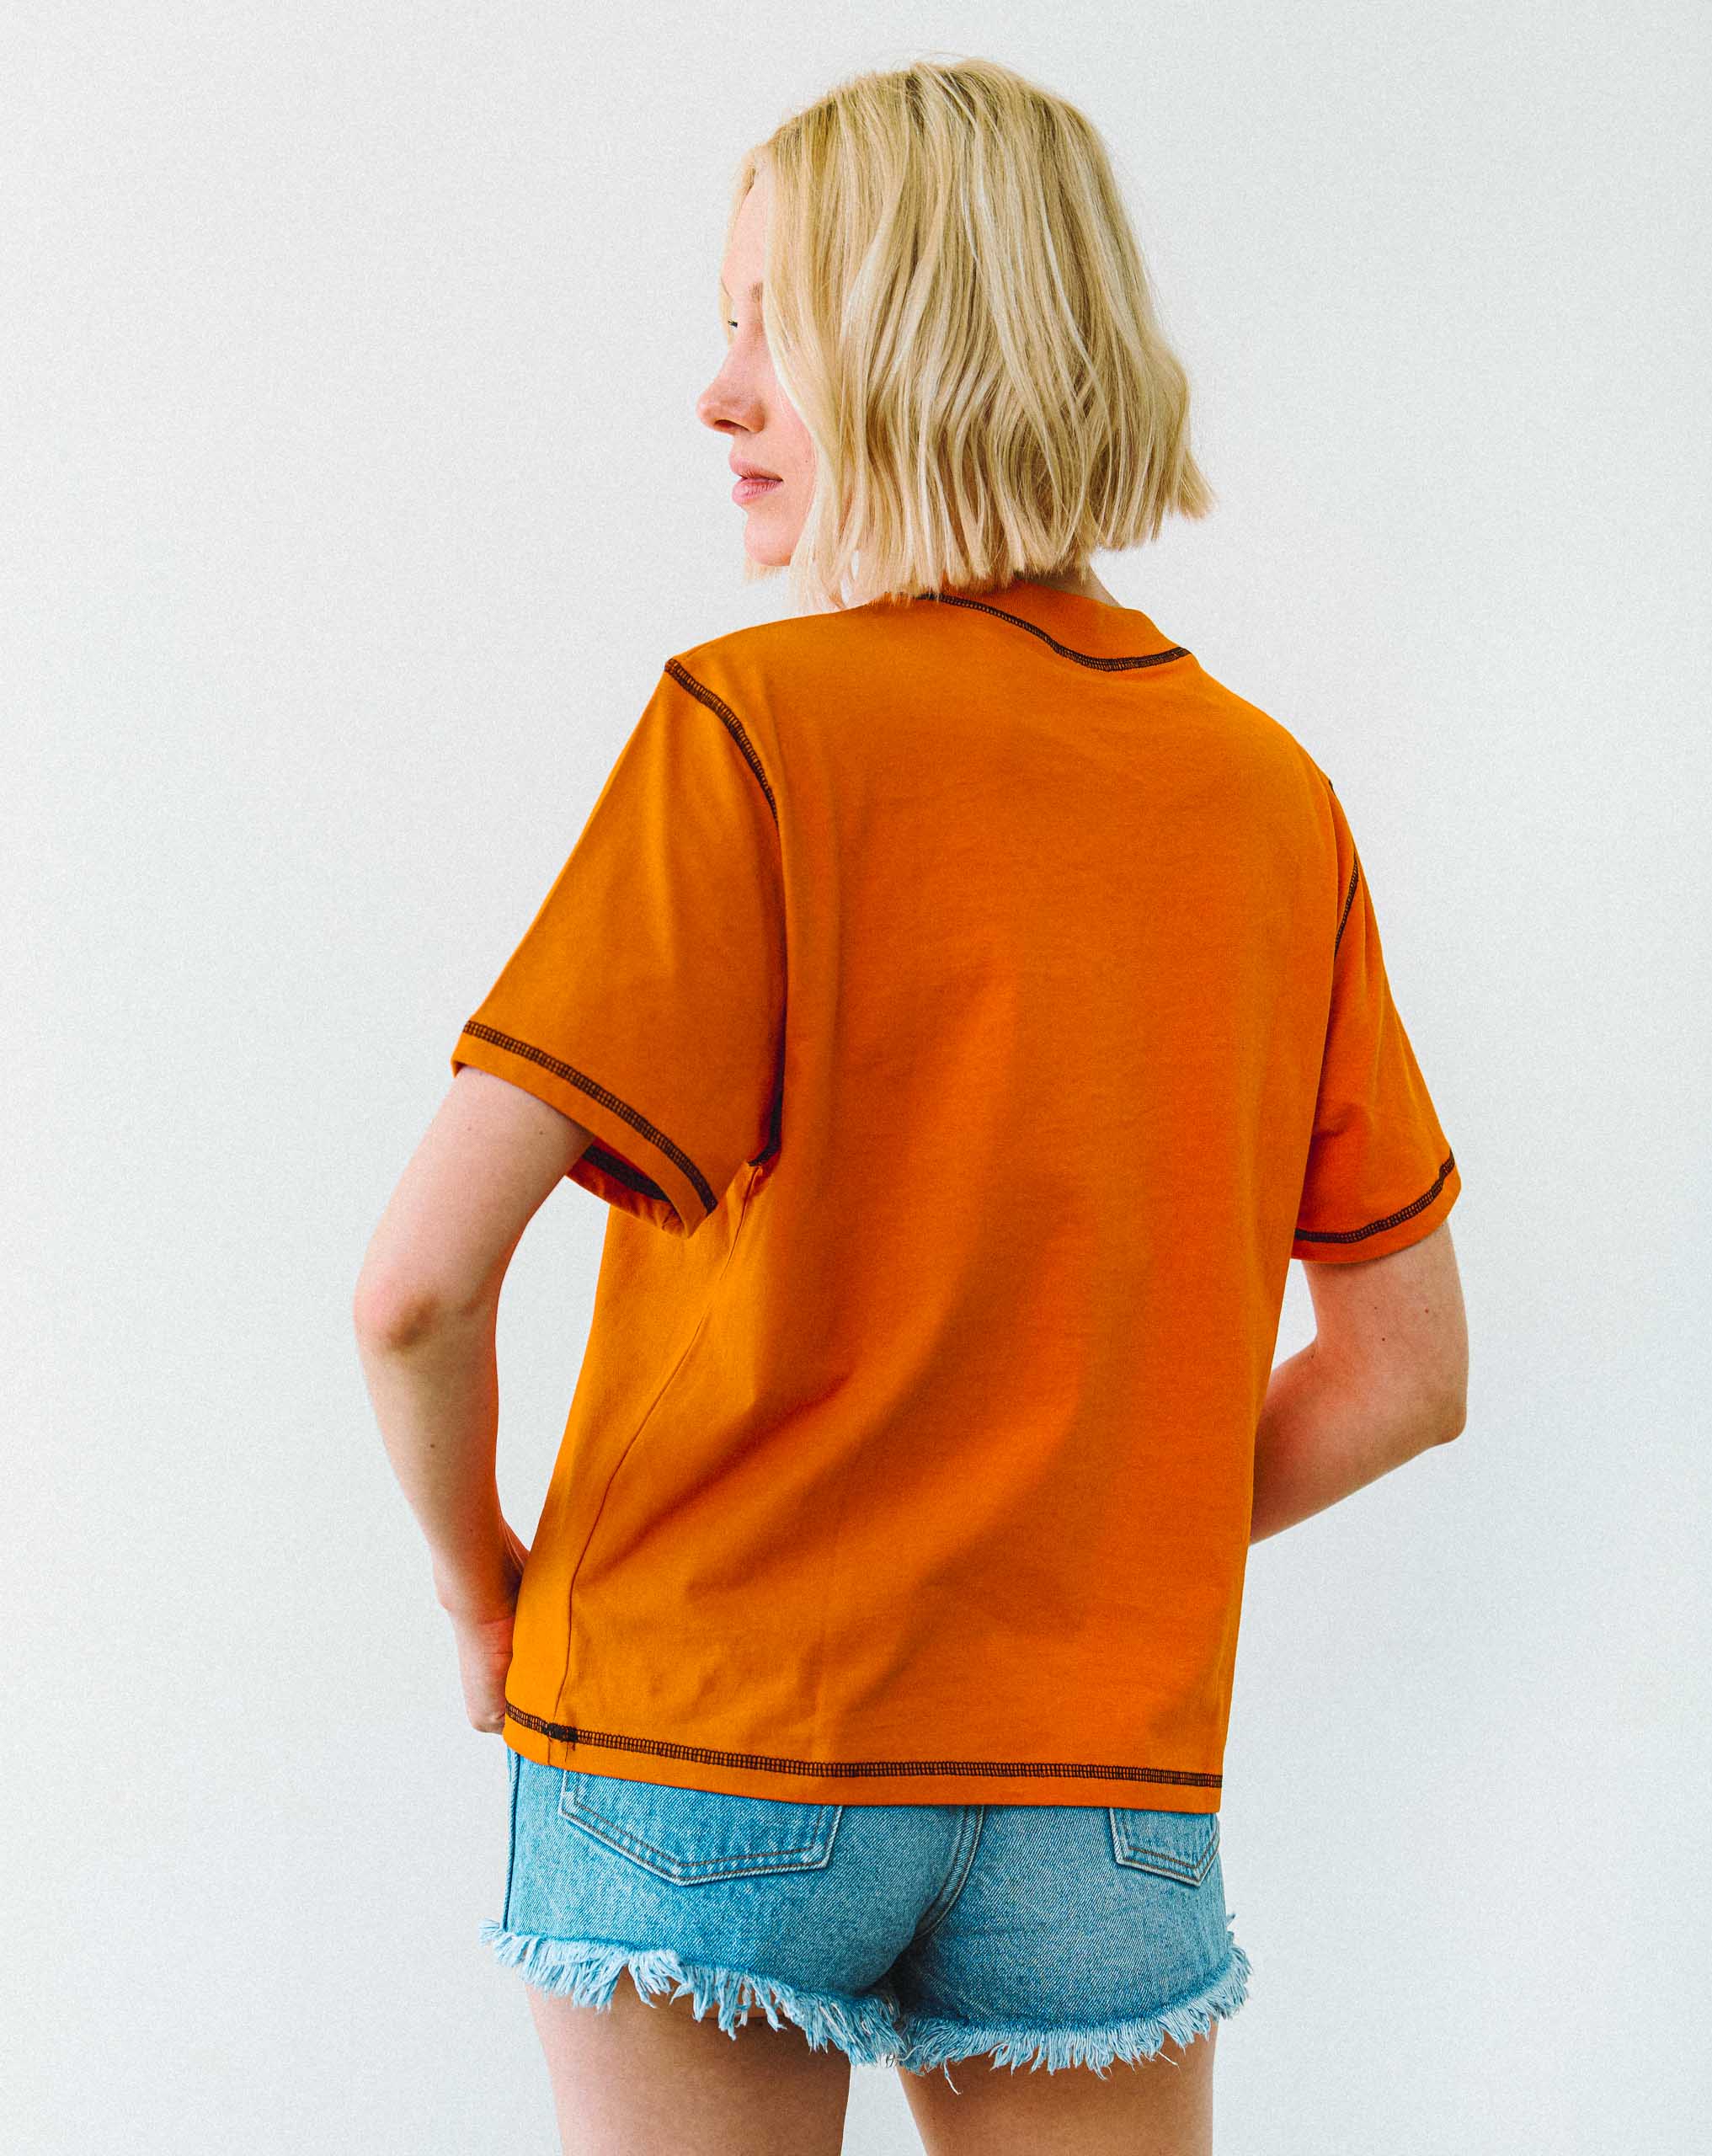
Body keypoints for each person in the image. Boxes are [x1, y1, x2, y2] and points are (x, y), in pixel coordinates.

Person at [354, 54, 1468, 2156]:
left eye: (767, 316)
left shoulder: (754, 730)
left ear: (912, 339)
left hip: (703, 1726)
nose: (715, 389)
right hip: (1095, 1784)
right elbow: (1406, 1375)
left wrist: (473, 1585)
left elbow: (413, 1289)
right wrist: (1062, 1530)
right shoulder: (1266, 800)